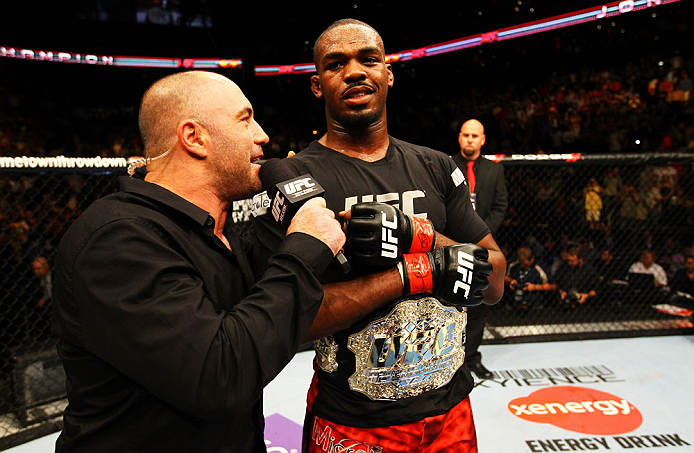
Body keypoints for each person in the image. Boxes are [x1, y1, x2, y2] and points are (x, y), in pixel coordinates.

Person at [51, 70, 351, 452]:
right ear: (194, 138)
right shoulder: (117, 240)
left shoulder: (214, 231)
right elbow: (220, 379)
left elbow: (257, 325)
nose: (262, 136)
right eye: (245, 119)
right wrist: (303, 249)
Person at [255, 19, 505, 452]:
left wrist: (417, 234)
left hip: (451, 411)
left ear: (388, 74)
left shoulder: (434, 165)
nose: (355, 71)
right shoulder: (297, 183)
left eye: (369, 59)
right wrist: (412, 273)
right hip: (354, 422)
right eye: (336, 64)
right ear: (317, 85)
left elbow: (496, 280)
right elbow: (285, 321)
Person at [451, 118, 508, 380]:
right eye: (466, 135)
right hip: (453, 245)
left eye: (475, 136)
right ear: (460, 138)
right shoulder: (448, 166)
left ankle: (472, 357)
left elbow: (500, 207)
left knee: (480, 306)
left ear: (482, 139)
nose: (470, 140)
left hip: (484, 247)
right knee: (452, 304)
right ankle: (453, 359)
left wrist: (481, 235)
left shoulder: (494, 170)